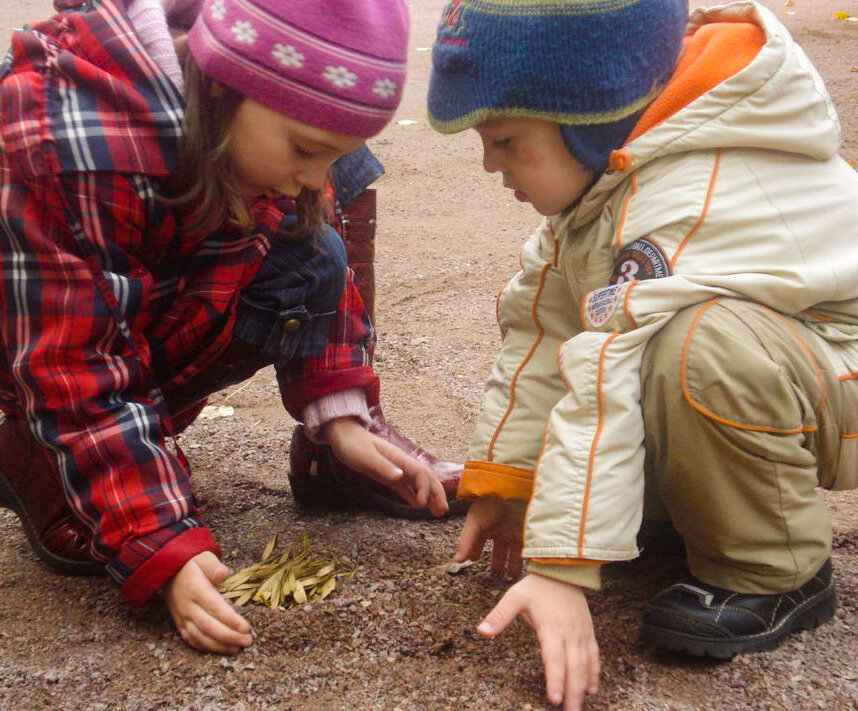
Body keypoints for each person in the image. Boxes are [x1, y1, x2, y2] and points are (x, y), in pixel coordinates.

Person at [427, 0, 858, 709]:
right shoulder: (602, 190)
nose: (487, 164)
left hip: (836, 366)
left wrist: (562, 566)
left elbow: (608, 367)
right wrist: (509, 478)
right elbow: (542, 334)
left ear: (589, 121)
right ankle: (691, 513)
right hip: (798, 370)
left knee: (695, 348)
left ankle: (773, 568)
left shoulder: (687, 197)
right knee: (651, 340)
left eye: (505, 140)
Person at [0, 0, 455, 656]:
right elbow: (76, 365)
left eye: (337, 155)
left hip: (138, 297)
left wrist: (341, 413)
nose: (317, 176)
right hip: (36, 339)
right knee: (87, 403)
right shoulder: (78, 146)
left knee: (312, 242)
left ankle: (327, 449)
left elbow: (316, 257)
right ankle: (35, 447)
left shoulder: (250, 125)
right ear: (222, 85)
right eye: (306, 150)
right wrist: (161, 541)